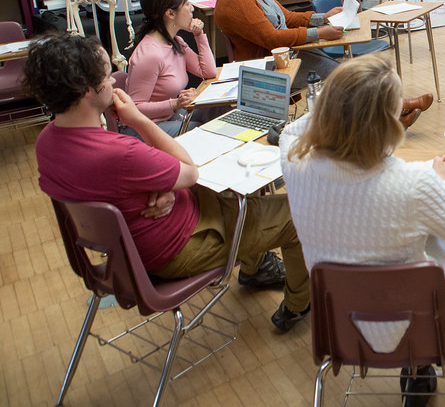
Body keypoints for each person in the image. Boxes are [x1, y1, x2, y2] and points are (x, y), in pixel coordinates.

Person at [280, 55, 445, 403]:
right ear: (387, 125)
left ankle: (431, 365)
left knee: (410, 233)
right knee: (428, 232)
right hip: (422, 326)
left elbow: (291, 130)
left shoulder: (294, 160)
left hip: (340, 325)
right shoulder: (414, 184)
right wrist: (440, 180)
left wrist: (343, 100)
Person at [26, 33, 311, 331]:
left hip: (133, 249)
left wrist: (164, 187)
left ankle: (256, 268)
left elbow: (120, 184)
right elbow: (189, 171)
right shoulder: (120, 153)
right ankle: (298, 304)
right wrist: (136, 119)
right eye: (107, 76)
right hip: (177, 248)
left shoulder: (47, 142)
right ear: (86, 91)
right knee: (295, 214)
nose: (113, 82)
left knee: (234, 189)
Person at [212, 0, 432, 126]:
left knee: (348, 73)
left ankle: (391, 117)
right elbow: (272, 38)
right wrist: (320, 33)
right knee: (346, 77)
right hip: (272, 68)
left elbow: (287, 18)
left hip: (291, 55)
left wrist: (323, 17)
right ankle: (395, 112)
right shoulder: (234, 0)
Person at [126, 0, 217, 135]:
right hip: (146, 128)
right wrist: (175, 104)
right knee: (208, 130)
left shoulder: (176, 42)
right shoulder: (149, 55)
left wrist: (199, 34)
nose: (192, 9)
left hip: (170, 117)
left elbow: (208, 72)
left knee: (219, 108)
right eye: (187, 4)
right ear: (170, 13)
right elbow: (135, 108)